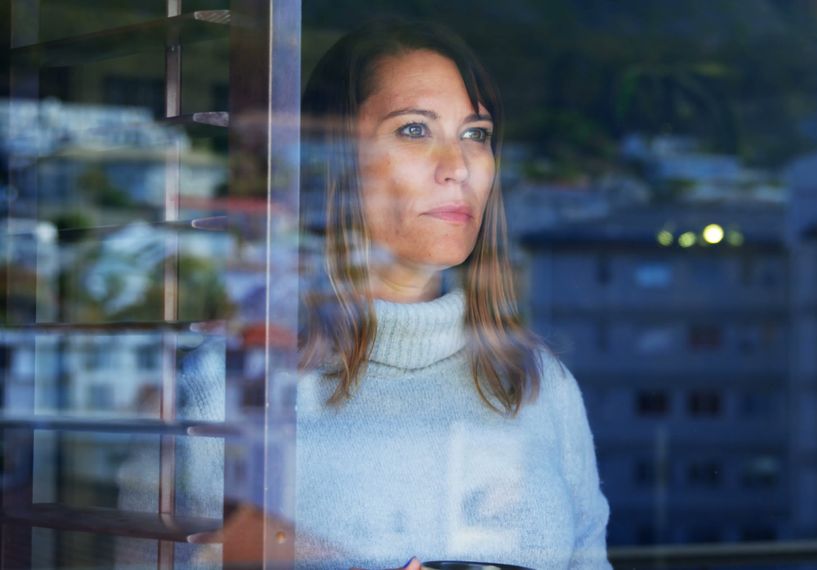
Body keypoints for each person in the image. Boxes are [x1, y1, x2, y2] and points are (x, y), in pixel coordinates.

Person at [118, 17, 611, 570]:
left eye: (476, 134)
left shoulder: (540, 384)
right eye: (414, 130)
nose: (458, 168)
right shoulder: (226, 385)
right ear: (334, 159)